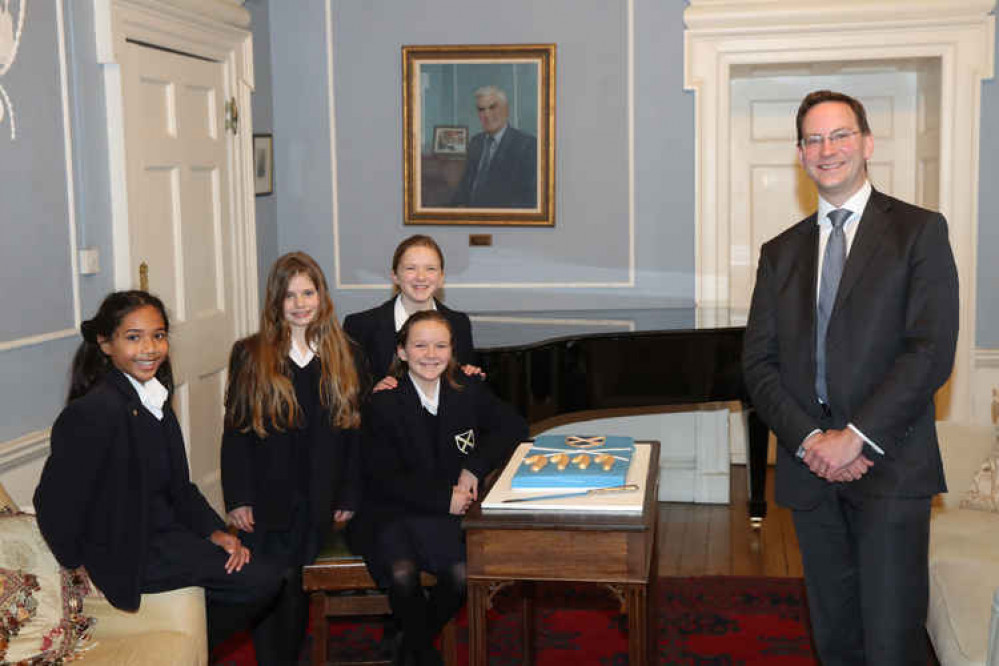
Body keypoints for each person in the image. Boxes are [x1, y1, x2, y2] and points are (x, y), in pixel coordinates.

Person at [742, 90, 959, 666]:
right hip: (810, 473)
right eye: (814, 139)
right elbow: (757, 365)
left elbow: (929, 351)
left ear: (866, 144)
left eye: (839, 135)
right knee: (835, 641)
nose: (827, 149)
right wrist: (814, 441)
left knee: (892, 642)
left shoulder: (918, 232)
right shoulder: (779, 253)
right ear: (800, 154)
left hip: (891, 465)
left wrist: (854, 437)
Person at [33, 291, 283, 660]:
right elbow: (53, 502)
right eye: (133, 337)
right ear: (106, 344)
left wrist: (215, 531)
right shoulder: (94, 412)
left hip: (166, 536)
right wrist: (74, 566)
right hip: (129, 548)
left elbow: (180, 488)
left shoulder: (153, 398)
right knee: (261, 579)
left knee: (259, 568)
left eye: (159, 335)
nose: (149, 348)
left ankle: (190, 647)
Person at [349, 309, 527, 666]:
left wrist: (474, 468)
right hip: (391, 510)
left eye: (440, 346)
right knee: (402, 574)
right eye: (420, 346)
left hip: (443, 515)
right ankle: (424, 655)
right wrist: (444, 497)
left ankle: (409, 645)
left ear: (452, 350)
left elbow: (514, 427)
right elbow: (383, 478)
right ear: (401, 352)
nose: (430, 355)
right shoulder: (382, 401)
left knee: (461, 574)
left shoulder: (467, 389)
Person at [221, 251, 362, 664]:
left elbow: (355, 434)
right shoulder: (250, 353)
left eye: (308, 292)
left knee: (297, 582)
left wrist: (349, 495)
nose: (300, 303)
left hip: (320, 495)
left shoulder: (345, 353)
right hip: (266, 496)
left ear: (322, 296)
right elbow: (236, 431)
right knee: (268, 582)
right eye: (289, 295)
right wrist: (237, 496)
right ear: (274, 301)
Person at [343, 234, 480, 393]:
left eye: (430, 269)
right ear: (395, 276)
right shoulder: (359, 326)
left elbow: (460, 389)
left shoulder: (459, 323)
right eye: (410, 268)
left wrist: (470, 377)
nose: (421, 277)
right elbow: (347, 393)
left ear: (441, 277)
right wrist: (372, 394)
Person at [450, 85, 537, 208]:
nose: (487, 115)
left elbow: (528, 198)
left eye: (492, 107)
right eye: (481, 109)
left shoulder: (527, 145)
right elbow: (465, 187)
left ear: (506, 110)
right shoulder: (476, 142)